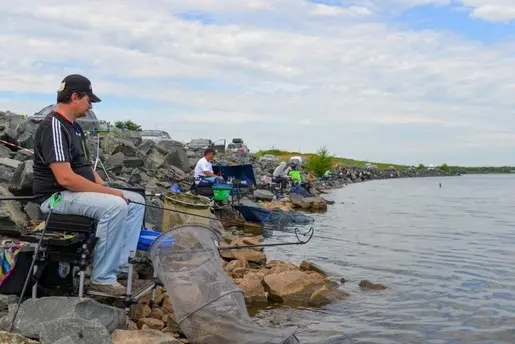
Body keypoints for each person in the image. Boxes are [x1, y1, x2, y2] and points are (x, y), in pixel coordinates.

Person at [32, 74, 146, 296]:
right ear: (75, 96)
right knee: (115, 206)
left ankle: (119, 265)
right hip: (55, 197)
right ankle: (102, 278)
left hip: (74, 193)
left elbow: (85, 168)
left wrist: (109, 187)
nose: (90, 105)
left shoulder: (75, 128)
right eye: (88, 99)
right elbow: (65, 178)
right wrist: (110, 194)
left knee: (136, 201)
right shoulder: (53, 126)